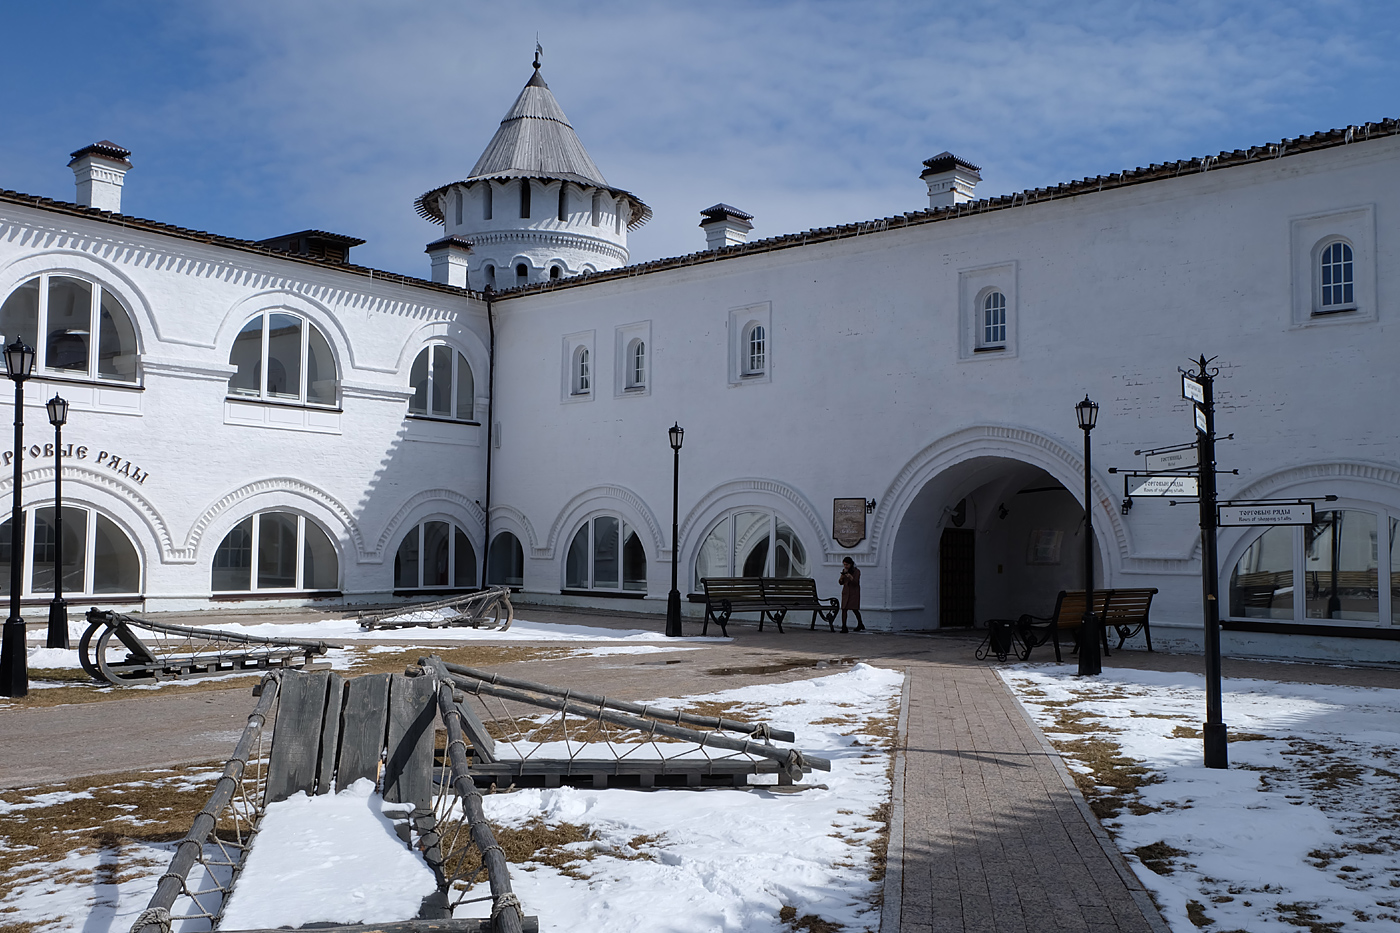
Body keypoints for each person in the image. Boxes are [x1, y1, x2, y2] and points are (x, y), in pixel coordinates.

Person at [838, 557, 864, 632]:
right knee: (844, 609)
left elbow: (856, 583)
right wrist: (842, 577)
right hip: (846, 592)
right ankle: (844, 626)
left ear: (851, 564)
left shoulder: (857, 571)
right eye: (844, 565)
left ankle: (860, 623)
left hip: (853, 593)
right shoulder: (844, 571)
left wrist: (850, 577)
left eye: (847, 564)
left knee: (854, 609)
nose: (845, 566)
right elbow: (840, 583)